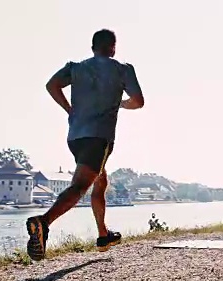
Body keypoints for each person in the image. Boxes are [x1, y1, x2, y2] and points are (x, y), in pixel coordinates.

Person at [25, 29, 144, 261]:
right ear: (113, 48)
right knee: (80, 186)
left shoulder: (76, 67)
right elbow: (138, 102)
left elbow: (52, 85)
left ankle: (103, 235)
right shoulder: (122, 69)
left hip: (76, 137)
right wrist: (119, 103)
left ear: (92, 48)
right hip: (99, 137)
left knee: (100, 179)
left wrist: (70, 110)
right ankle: (44, 222)